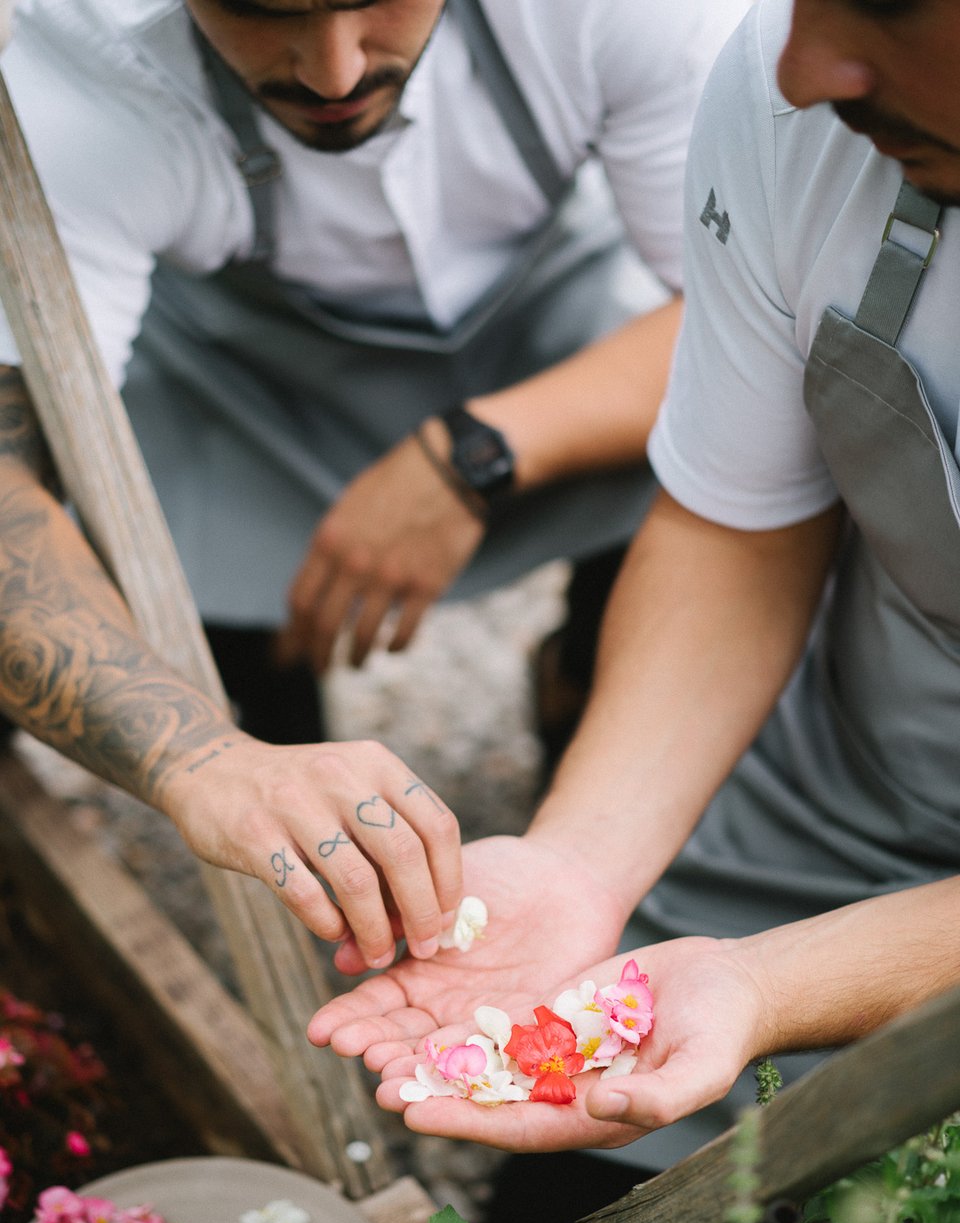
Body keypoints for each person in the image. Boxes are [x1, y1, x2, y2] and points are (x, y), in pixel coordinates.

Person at [309, 0, 960, 1160]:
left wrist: (770, 988)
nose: (804, 68)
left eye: (889, 2)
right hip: (835, 795)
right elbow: (738, 527)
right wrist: (581, 861)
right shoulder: (788, 92)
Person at [0, 0, 745, 965]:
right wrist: (201, 758)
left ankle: (591, 725)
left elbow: (753, 327)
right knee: (186, 557)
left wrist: (469, 457)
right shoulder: (76, 64)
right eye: (262, 12)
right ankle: (289, 779)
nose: (333, 75)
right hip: (244, 355)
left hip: (550, 307)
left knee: (720, 463)